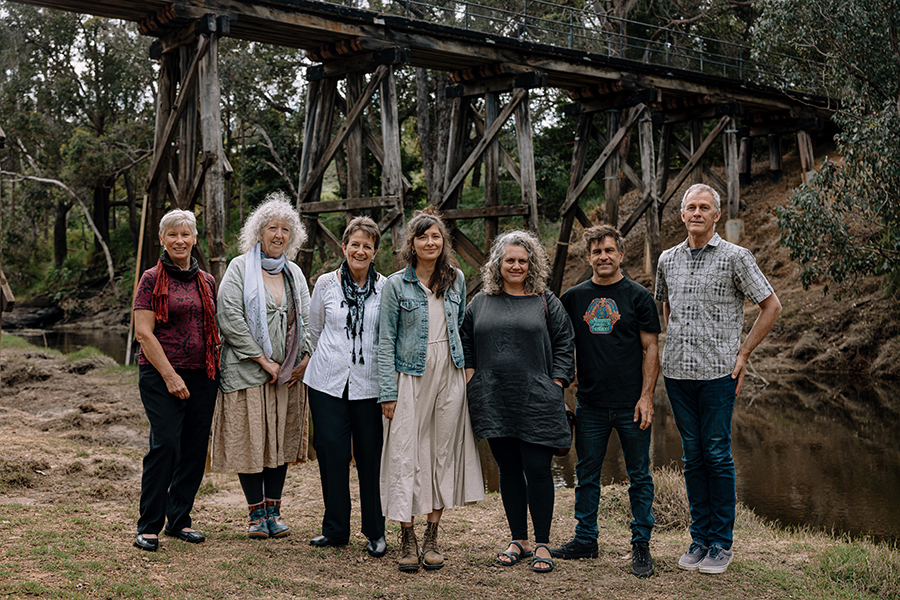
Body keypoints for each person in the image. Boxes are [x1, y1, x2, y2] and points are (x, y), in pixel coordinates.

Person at [655, 183, 782, 574]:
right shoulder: (667, 259)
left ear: (716, 215)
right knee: (692, 456)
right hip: (676, 372)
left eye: (704, 207)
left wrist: (742, 354)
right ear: (681, 215)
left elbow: (771, 306)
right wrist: (675, 341)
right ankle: (699, 539)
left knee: (716, 453)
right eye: (690, 207)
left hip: (717, 374)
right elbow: (665, 306)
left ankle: (721, 544)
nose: (696, 213)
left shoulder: (735, 257)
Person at [461, 230, 574, 574]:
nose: (516, 266)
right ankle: (519, 539)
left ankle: (542, 542)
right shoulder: (480, 301)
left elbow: (565, 342)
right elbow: (464, 341)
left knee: (538, 470)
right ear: (498, 263)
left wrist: (556, 384)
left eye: (523, 261)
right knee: (508, 471)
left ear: (532, 264)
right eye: (510, 260)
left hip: (537, 399)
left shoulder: (545, 300)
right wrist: (472, 379)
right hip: (494, 399)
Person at [377, 207, 483, 573]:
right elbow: (385, 340)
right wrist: (387, 392)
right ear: (412, 243)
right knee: (405, 452)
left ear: (443, 242)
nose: (430, 242)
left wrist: (466, 370)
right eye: (423, 236)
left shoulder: (456, 279)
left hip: (449, 374)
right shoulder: (394, 285)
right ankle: (406, 536)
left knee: (442, 452)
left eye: (436, 236)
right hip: (411, 374)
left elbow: (463, 329)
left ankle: (433, 534)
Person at [551, 225, 660, 578]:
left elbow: (650, 348)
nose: (603, 257)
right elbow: (561, 343)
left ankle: (640, 544)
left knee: (639, 476)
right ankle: (585, 540)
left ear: (621, 254)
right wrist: (569, 374)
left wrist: (646, 397)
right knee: (586, 476)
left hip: (631, 404)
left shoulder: (639, 296)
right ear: (589, 257)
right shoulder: (573, 297)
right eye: (597, 252)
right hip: (591, 404)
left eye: (609, 250)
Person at [210, 191, 313, 540]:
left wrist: (304, 360)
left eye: (285, 229)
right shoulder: (240, 268)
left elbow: (309, 321)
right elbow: (230, 318)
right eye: (272, 228)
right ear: (259, 232)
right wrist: (264, 361)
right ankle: (255, 515)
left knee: (280, 440)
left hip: (288, 376)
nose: (279, 235)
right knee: (252, 441)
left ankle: (274, 510)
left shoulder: (295, 273)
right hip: (248, 372)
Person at [132, 209, 220, 551]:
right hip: (160, 375)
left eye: (185, 235)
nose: (180, 241)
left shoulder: (207, 280)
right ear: (162, 240)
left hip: (203, 375)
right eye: (173, 235)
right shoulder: (151, 279)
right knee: (165, 444)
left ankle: (179, 519)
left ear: (194, 239)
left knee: (195, 450)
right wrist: (170, 376)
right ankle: (149, 525)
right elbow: (143, 333)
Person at [303, 216, 387, 558]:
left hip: (370, 385)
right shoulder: (325, 284)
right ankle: (335, 529)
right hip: (327, 383)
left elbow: (388, 335)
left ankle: (375, 532)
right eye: (355, 244)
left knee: (371, 457)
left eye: (368, 246)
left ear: (375, 252)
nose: (360, 251)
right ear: (344, 246)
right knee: (332, 455)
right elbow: (315, 329)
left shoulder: (386, 288)